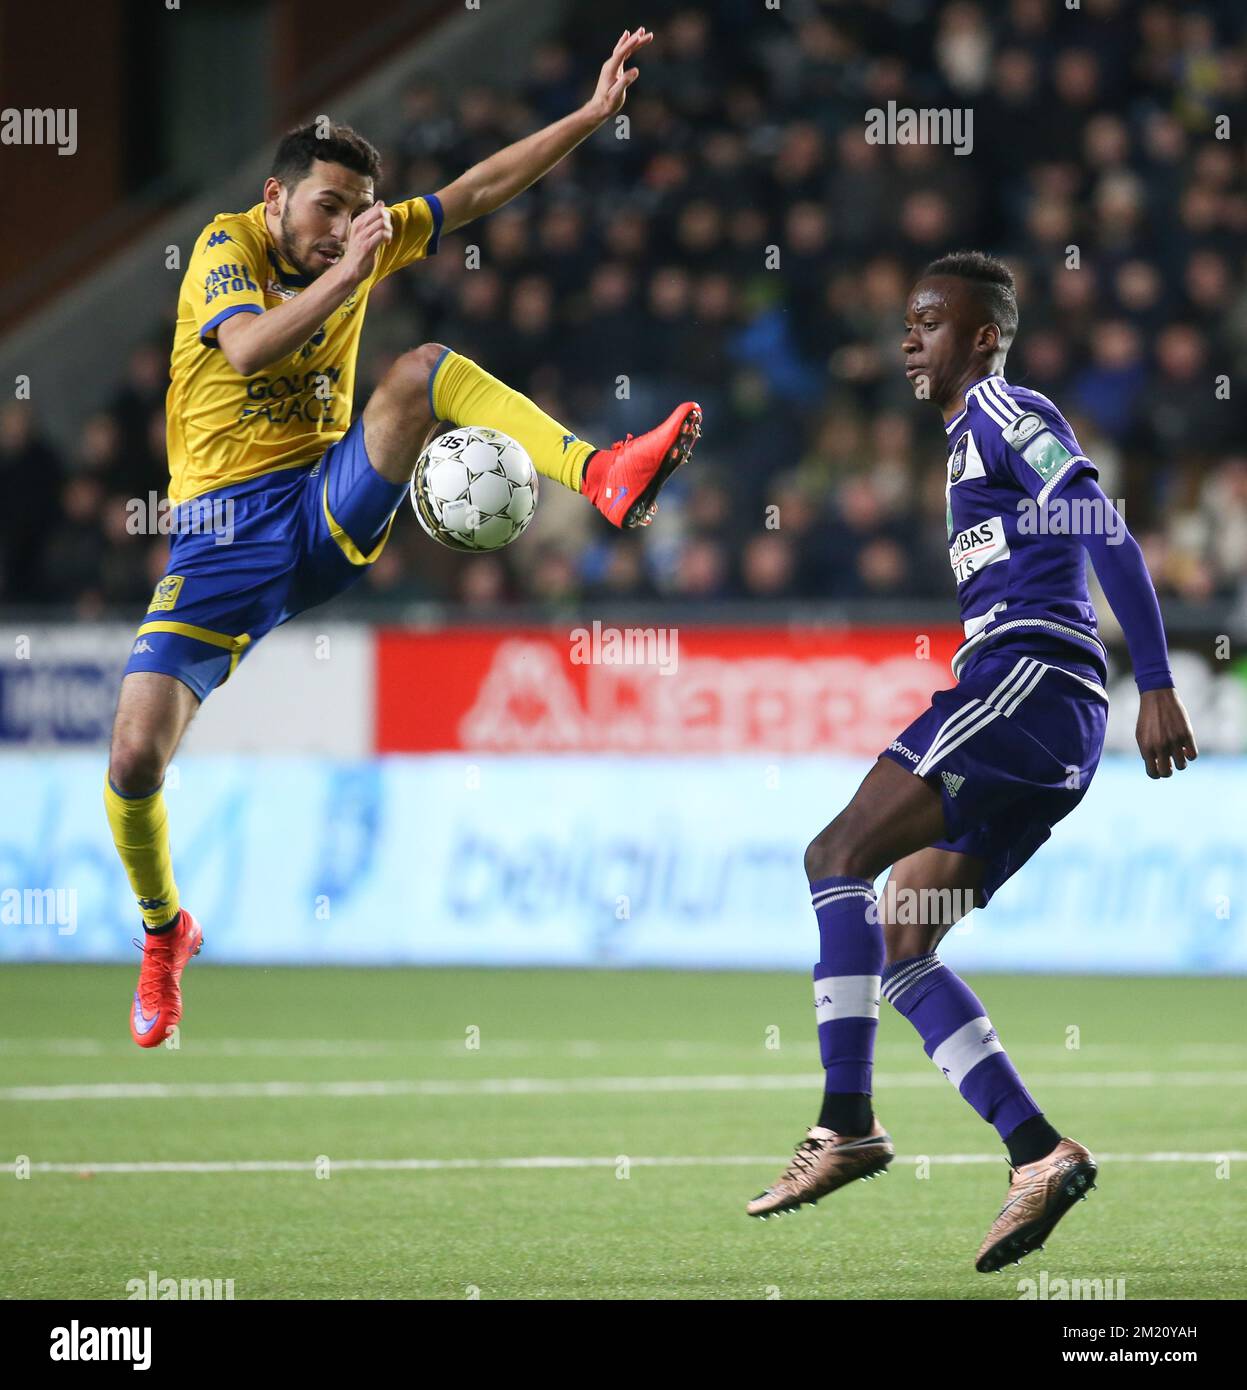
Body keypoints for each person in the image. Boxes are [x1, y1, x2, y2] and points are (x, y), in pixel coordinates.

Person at [106, 27, 701, 1050]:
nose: (342, 227)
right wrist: (353, 270)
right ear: (274, 202)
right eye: (325, 207)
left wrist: (589, 118)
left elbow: (474, 191)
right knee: (133, 761)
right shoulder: (223, 248)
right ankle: (165, 932)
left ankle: (599, 473)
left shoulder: (363, 239)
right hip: (214, 546)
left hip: (322, 506)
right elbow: (247, 349)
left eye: (355, 211)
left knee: (421, 370)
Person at [748, 251, 1197, 1273]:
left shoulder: (1002, 408)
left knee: (834, 854)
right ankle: (1037, 1154)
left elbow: (1099, 521)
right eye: (904, 321)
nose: (908, 337)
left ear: (981, 335)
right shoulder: (960, 440)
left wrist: (1158, 679)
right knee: (905, 937)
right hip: (1042, 728)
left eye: (927, 320)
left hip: (1026, 688)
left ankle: (846, 1119)